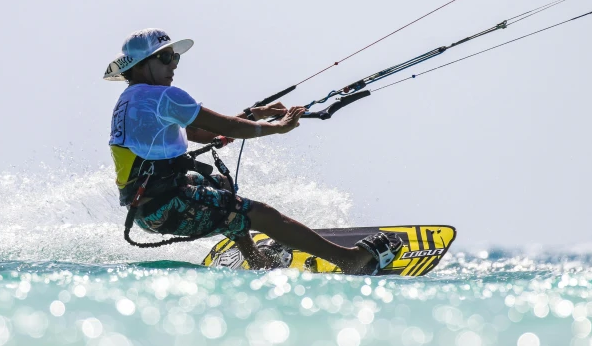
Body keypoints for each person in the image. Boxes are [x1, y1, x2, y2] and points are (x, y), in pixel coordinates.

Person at [105, 28, 400, 274]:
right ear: (141, 65)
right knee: (263, 214)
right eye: (166, 57)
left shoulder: (128, 100)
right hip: (169, 208)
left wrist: (255, 115)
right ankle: (349, 261)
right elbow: (226, 128)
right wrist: (278, 127)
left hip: (146, 210)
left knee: (220, 185)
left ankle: (256, 259)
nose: (175, 64)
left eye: (175, 56)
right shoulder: (164, 96)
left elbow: (198, 133)